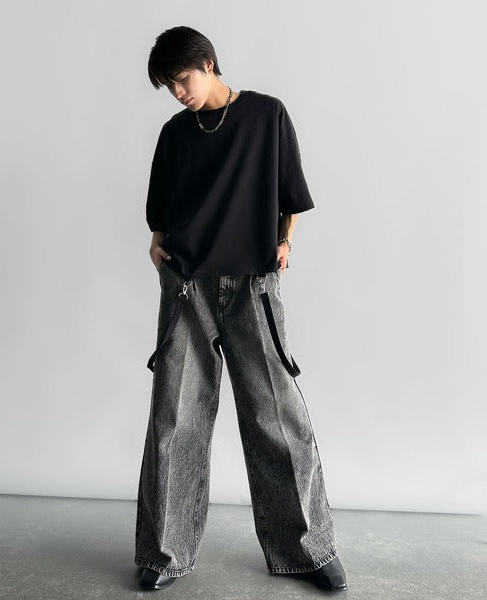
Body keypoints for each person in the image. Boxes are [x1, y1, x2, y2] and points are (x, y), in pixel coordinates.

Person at [135, 25, 348, 593]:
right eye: (168, 86)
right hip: (187, 287)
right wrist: (157, 244)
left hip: (254, 285)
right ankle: (163, 554)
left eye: (182, 78)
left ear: (208, 63)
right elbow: (161, 205)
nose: (178, 92)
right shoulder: (175, 134)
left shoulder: (266, 115)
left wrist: (286, 241)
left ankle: (308, 550)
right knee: (175, 419)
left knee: (276, 416)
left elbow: (290, 191)